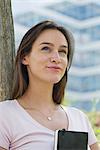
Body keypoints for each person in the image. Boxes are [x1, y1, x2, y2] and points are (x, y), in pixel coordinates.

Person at [0, 20, 99, 150]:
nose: (56, 58)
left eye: (63, 51)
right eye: (46, 48)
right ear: (25, 57)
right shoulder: (5, 114)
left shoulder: (79, 118)